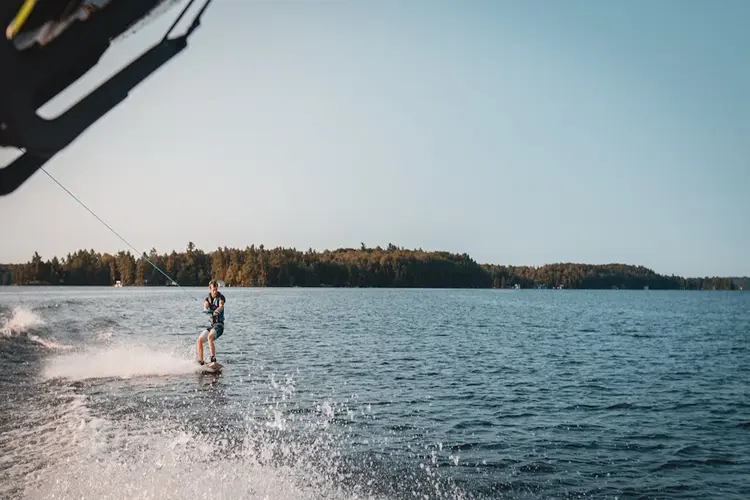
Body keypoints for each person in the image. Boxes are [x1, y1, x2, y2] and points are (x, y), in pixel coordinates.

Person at [196, 279, 225, 365]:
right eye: (213, 290)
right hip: (212, 326)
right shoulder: (208, 299)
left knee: (210, 337)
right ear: (210, 289)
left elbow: (221, 305)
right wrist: (206, 308)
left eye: (216, 289)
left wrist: (217, 311)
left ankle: (213, 359)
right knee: (199, 340)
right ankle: (200, 361)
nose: (215, 291)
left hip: (219, 326)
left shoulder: (221, 298)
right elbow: (205, 304)